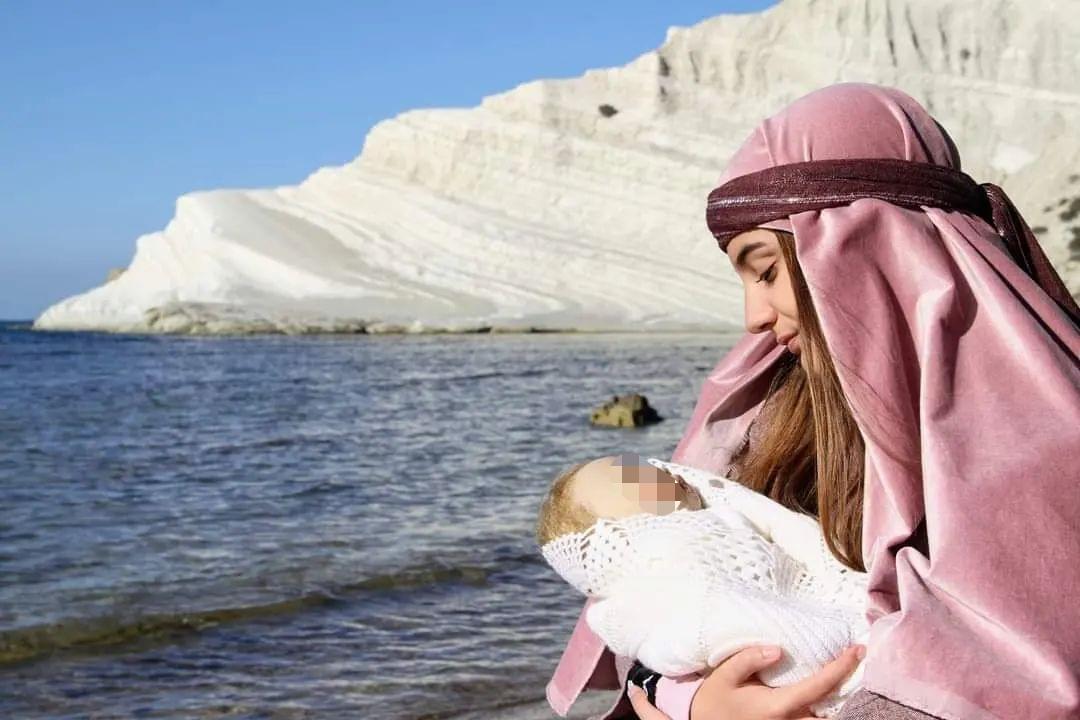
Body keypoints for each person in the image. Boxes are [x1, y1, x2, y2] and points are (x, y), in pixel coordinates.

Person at [544, 83, 1080, 720]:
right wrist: (689, 699)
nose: (752, 316)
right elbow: (667, 599)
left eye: (766, 270)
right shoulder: (780, 416)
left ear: (868, 248)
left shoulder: (1046, 447)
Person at [535, 454, 868, 717]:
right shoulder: (656, 568)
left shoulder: (712, 516)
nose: (655, 472)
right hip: (825, 660)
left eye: (642, 468)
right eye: (633, 481)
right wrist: (690, 701)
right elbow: (651, 639)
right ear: (617, 537)